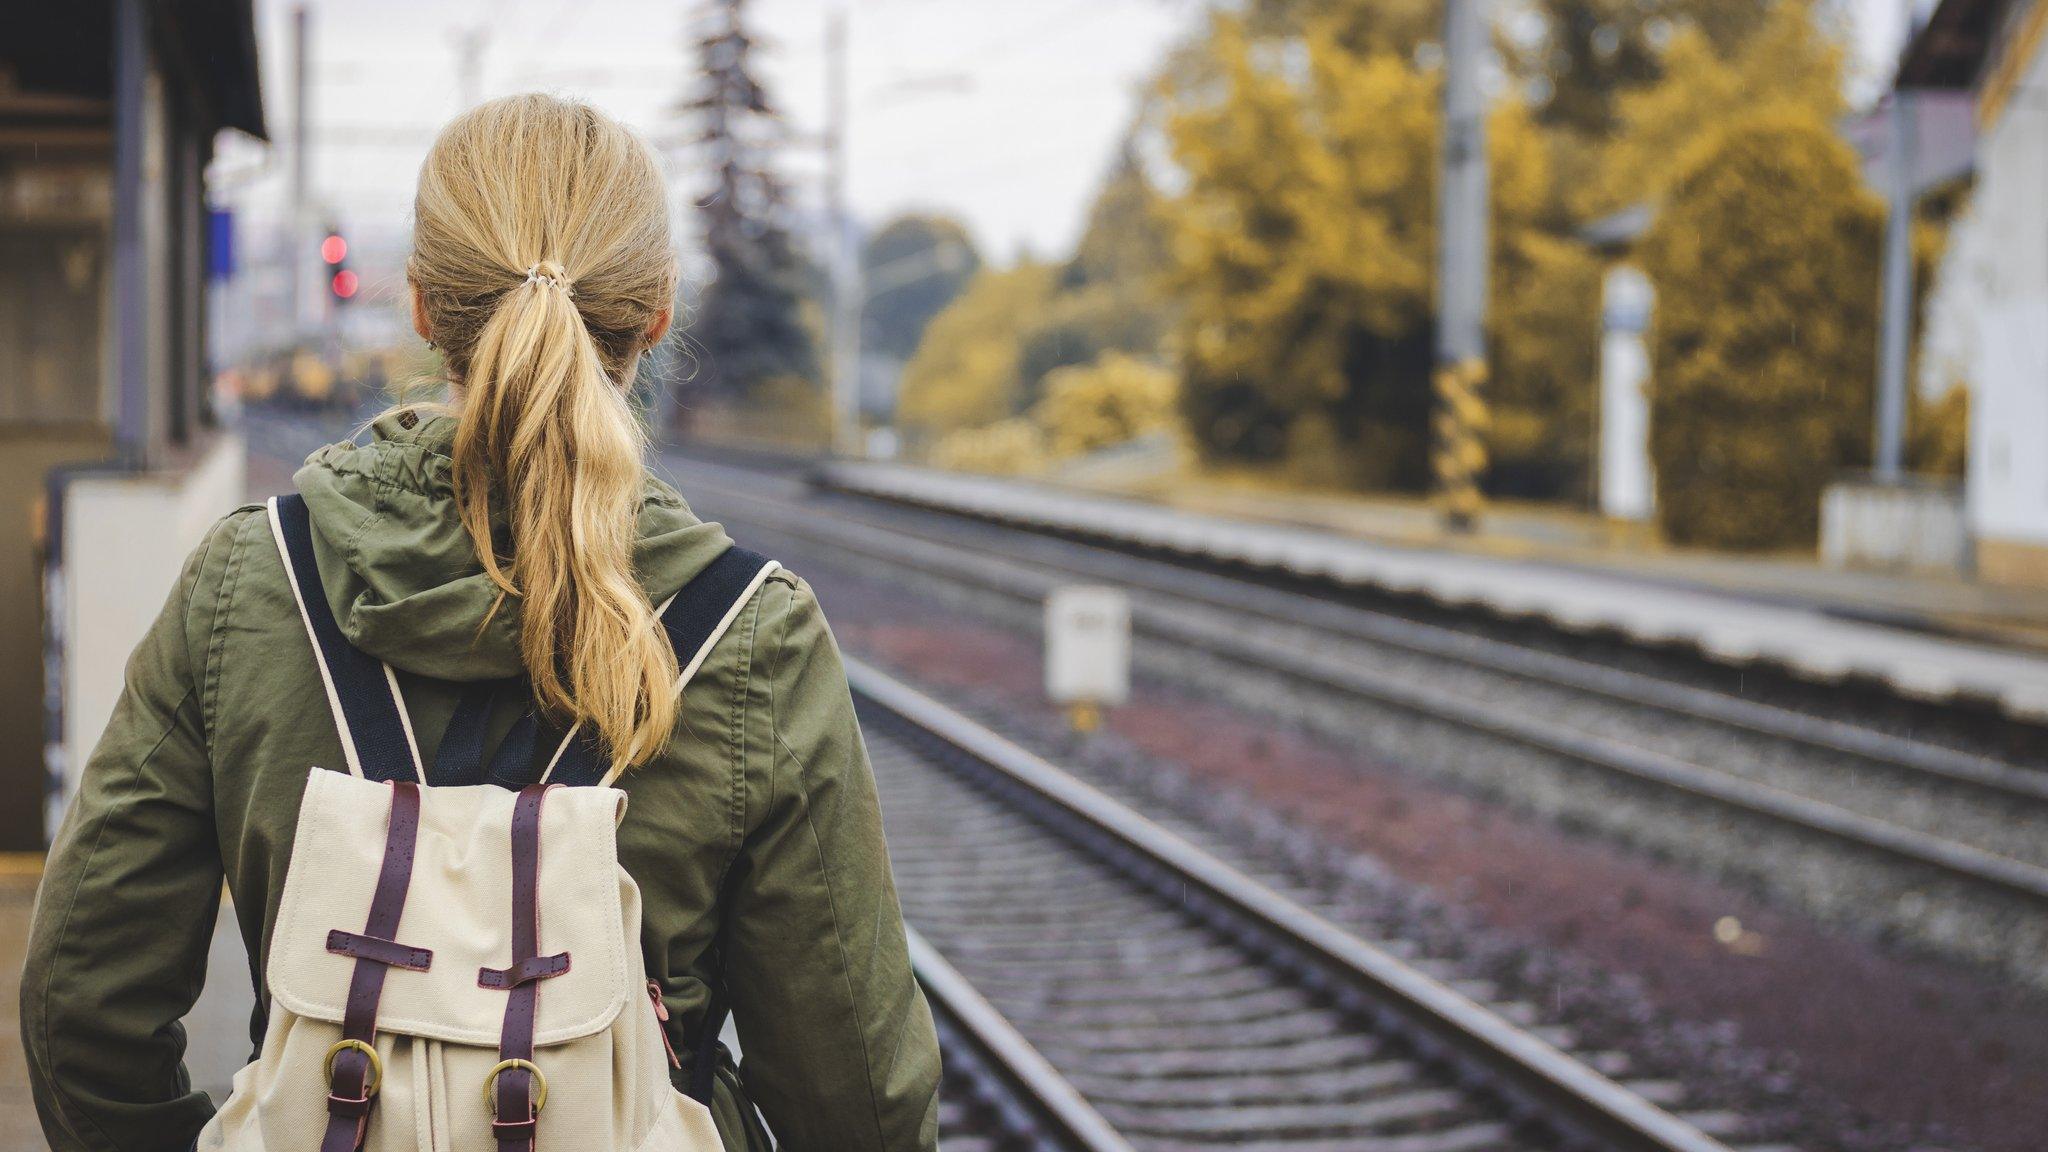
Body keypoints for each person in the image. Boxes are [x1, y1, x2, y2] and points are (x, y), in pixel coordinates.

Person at [19, 94, 941, 1152]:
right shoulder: (749, 631)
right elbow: (862, 1107)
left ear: (419, 306)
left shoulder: (250, 581)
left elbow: (78, 1007)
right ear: (655, 313)